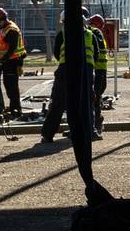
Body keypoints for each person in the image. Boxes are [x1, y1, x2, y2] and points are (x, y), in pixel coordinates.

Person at [41, 12, 98, 144]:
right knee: (86, 102)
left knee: (58, 102)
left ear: (64, 22)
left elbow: (57, 53)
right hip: (86, 70)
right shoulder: (90, 35)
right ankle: (89, 132)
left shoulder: (63, 34)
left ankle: (48, 134)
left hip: (66, 70)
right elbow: (96, 54)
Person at [0, 7, 26, 117]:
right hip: (9, 61)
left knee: (11, 87)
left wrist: (2, 61)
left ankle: (16, 109)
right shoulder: (6, 28)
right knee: (8, 85)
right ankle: (13, 108)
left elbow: (12, 49)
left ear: (3, 19)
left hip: (12, 62)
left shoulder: (11, 30)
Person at [89, 14, 109, 136]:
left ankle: (96, 125)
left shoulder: (92, 32)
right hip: (101, 71)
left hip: (95, 71)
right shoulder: (98, 33)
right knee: (95, 98)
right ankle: (97, 124)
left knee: (93, 99)